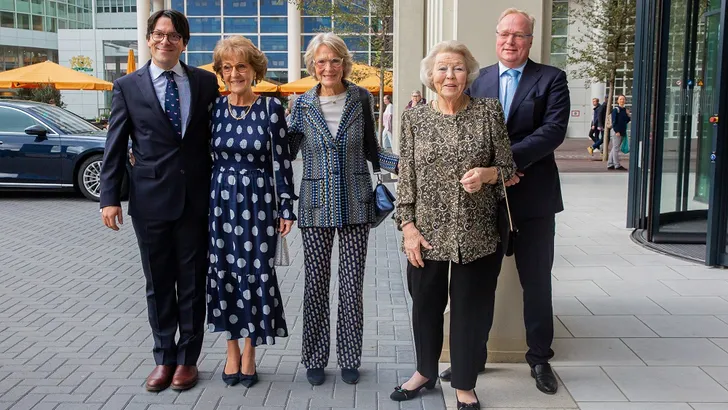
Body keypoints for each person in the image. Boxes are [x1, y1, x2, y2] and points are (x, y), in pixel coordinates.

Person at [439, 8, 571, 395]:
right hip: (486, 202)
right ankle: (473, 359)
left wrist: (504, 163)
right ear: (496, 37)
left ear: (530, 40)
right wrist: (495, 171)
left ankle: (540, 359)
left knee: (536, 282)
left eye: (519, 35)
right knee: (480, 284)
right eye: (504, 34)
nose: (510, 41)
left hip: (534, 200)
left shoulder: (551, 79)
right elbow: (460, 130)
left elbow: (552, 132)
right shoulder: (477, 80)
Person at [99, 9, 219, 392]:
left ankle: (188, 360)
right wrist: (110, 198)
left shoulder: (204, 82)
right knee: (158, 284)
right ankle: (163, 358)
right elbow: (115, 146)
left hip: (196, 200)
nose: (165, 41)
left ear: (184, 42)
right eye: (159, 34)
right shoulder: (127, 86)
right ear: (149, 39)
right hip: (149, 201)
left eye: (174, 35)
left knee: (193, 283)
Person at [390, 40, 514, 410]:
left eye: (458, 69)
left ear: (468, 75)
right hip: (426, 234)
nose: (450, 76)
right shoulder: (414, 118)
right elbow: (406, 178)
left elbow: (507, 168)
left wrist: (488, 173)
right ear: (430, 76)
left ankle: (464, 383)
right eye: (442, 69)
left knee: (469, 310)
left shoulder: (489, 112)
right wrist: (407, 228)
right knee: (425, 305)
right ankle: (425, 371)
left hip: (476, 232)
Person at [287, 32, 398, 387]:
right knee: (316, 285)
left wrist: (407, 162)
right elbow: (286, 151)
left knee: (351, 286)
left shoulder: (360, 98)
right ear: (312, 66)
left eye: (335, 60)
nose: (328, 67)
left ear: (344, 64)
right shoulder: (301, 105)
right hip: (315, 205)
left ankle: (350, 357)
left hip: (355, 202)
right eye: (321, 61)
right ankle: (315, 358)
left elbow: (371, 149)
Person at [207, 35, 296, 388]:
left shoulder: (271, 109)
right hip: (220, 203)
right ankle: (230, 350)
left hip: (258, 204)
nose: (234, 73)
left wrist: (286, 207)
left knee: (256, 275)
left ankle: (250, 351)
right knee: (225, 273)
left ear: (254, 69)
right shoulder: (214, 108)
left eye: (241, 66)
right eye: (227, 67)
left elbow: (282, 163)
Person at [608, 94, 630, 170]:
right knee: (616, 148)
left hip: (621, 131)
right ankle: (617, 165)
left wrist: (628, 115)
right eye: (620, 99)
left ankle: (610, 164)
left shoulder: (624, 110)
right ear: (617, 101)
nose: (622, 100)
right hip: (616, 132)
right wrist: (616, 130)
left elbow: (626, 121)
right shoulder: (616, 110)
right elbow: (614, 121)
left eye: (623, 99)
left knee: (615, 148)